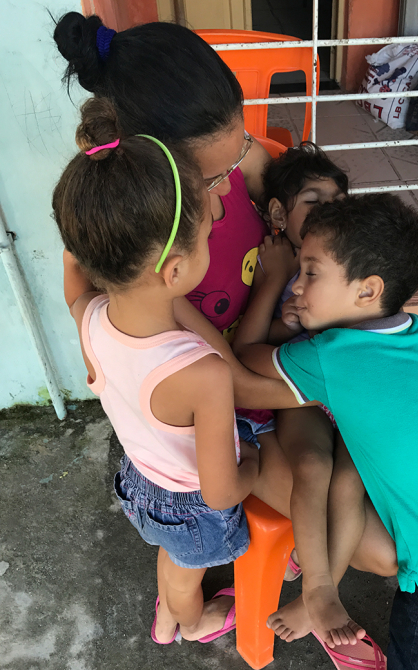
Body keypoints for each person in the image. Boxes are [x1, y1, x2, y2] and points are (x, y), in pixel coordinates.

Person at [235, 193, 418, 670]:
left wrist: (271, 286)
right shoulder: (417, 331)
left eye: (310, 273)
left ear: (367, 290)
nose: (298, 288)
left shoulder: (330, 356)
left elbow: (246, 353)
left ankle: (321, 593)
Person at [53, 11, 292, 514]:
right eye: (211, 178)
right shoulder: (153, 273)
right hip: (234, 399)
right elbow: (237, 386)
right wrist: (327, 391)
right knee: (333, 506)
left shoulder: (226, 158)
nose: (233, 181)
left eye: (239, 148)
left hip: (262, 357)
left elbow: (270, 179)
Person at [52, 97, 267, 644]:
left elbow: (74, 281)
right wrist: (258, 466)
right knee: (186, 564)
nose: (219, 216)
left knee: (174, 556)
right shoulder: (202, 375)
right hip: (192, 504)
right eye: (206, 232)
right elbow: (221, 494)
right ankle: (189, 623)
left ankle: (167, 617)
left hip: (141, 480)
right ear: (175, 269)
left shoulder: (91, 320)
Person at [233, 143, 399, 649]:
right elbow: (250, 349)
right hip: (297, 394)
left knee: (353, 474)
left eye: (337, 199)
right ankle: (319, 587)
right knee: (313, 465)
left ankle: (314, 591)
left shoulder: (352, 266)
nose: (329, 206)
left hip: (344, 397)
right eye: (314, 198)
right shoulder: (278, 264)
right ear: (281, 213)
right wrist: (280, 286)